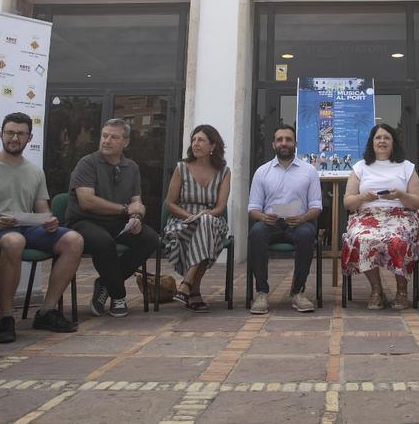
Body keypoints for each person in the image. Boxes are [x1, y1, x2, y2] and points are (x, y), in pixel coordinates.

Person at [0, 112, 83, 341]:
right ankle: (5, 318)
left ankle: (47, 311)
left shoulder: (34, 171)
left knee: (73, 239)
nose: (14, 138)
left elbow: (42, 209)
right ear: (1, 134)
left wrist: (50, 220)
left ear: (29, 137)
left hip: (24, 227)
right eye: (10, 133)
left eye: (20, 134)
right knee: (14, 241)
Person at [66, 118, 160, 318]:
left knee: (150, 238)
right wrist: (127, 210)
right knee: (103, 242)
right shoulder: (87, 163)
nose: (106, 141)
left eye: (113, 137)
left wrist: (136, 216)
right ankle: (118, 294)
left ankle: (105, 283)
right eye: (104, 135)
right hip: (85, 221)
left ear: (125, 142)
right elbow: (87, 201)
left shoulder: (132, 167)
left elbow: (136, 201)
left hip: (117, 221)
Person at [342, 123, 419, 310]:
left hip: (401, 215)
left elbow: (418, 202)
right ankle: (376, 290)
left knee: (398, 240)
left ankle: (402, 292)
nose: (382, 141)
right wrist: (363, 197)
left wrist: (400, 195)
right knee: (361, 238)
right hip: (367, 216)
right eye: (378, 138)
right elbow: (348, 202)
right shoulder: (360, 167)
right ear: (372, 142)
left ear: (393, 143)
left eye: (387, 138)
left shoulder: (406, 167)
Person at [247, 124, 322, 314]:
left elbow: (316, 206)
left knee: (307, 234)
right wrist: (263, 216)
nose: (284, 143)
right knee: (256, 232)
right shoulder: (262, 172)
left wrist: (303, 217)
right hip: (270, 223)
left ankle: (298, 292)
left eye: (288, 139)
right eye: (280, 139)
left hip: (297, 223)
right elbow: (252, 208)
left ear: (295, 143)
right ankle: (262, 292)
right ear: (273, 144)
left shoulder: (309, 171)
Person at [162, 124, 231, 313]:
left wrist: (203, 217)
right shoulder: (181, 168)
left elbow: (220, 207)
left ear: (213, 146)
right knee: (204, 229)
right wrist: (191, 217)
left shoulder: (224, 171)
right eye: (193, 140)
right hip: (182, 220)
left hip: (212, 219)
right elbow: (170, 203)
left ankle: (187, 283)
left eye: (201, 140)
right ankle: (194, 292)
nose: (195, 144)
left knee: (207, 224)